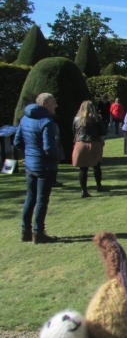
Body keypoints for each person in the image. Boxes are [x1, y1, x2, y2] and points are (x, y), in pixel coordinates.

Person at [13, 93, 64, 244]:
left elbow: (17, 141)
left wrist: (30, 154)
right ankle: (38, 232)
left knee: (30, 197)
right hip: (45, 166)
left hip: (30, 164)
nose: (56, 105)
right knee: (42, 199)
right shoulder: (46, 122)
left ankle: (25, 231)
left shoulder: (25, 118)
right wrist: (58, 156)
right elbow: (49, 147)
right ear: (44, 104)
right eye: (53, 102)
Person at [72, 100, 107, 198]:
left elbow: (74, 131)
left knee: (83, 168)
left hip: (80, 143)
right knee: (96, 165)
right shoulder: (95, 118)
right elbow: (103, 131)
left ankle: (84, 190)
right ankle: (99, 185)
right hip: (93, 142)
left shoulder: (77, 119)